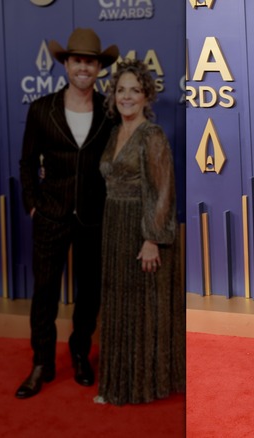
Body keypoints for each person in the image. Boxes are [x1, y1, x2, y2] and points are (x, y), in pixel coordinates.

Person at [16, 28, 118, 399]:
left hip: (93, 217)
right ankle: (41, 362)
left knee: (89, 292)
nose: (83, 68)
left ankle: (79, 352)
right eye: (77, 60)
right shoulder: (41, 109)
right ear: (66, 64)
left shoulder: (110, 112)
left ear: (98, 68)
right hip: (50, 215)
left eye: (90, 62)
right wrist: (33, 202)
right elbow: (27, 162)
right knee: (44, 291)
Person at [94, 59, 185, 405]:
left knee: (142, 307)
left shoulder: (152, 134)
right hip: (114, 226)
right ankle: (117, 381)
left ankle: (141, 384)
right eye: (121, 90)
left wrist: (152, 239)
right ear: (113, 95)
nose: (126, 96)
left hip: (142, 230)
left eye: (135, 90)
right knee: (119, 304)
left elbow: (163, 189)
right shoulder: (115, 132)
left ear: (147, 95)